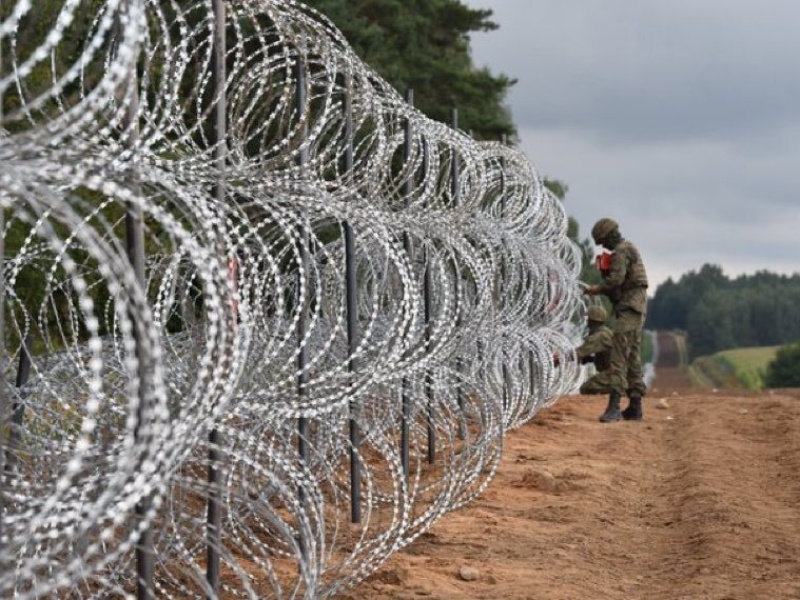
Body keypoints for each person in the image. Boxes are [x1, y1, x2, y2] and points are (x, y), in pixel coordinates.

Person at [584, 217, 649, 422]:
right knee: (633, 356)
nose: (604, 246)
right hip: (635, 306)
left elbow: (616, 281)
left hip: (630, 306)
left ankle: (614, 407)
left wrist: (597, 288)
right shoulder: (627, 248)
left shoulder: (621, 250)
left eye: (603, 241)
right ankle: (635, 406)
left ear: (610, 236)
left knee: (619, 355)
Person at [575, 304, 614, 395]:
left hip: (615, 374)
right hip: (618, 372)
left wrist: (560, 356)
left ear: (592, 321)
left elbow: (579, 352)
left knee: (587, 388)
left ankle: (619, 391)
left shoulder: (599, 336)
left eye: (588, 319)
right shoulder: (605, 332)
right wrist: (591, 359)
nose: (586, 322)